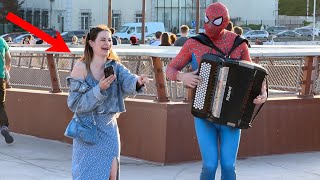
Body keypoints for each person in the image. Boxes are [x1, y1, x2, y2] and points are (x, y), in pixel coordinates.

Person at [166, 3, 267, 180]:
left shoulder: (238, 44)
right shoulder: (193, 43)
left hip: (232, 114)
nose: (210, 24)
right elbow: (170, 69)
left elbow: (254, 75)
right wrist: (184, 77)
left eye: (216, 20)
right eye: (207, 19)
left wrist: (263, 93)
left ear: (226, 21)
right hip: (204, 114)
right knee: (210, 165)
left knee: (228, 165)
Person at [67, 24, 149, 180]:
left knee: (112, 174)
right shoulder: (81, 67)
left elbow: (129, 80)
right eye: (103, 40)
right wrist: (99, 89)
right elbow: (74, 104)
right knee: (87, 175)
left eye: (109, 40)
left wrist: (138, 81)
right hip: (87, 129)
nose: (107, 44)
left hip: (108, 126)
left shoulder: (115, 67)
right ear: (91, 43)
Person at [0, 37, 13, 144]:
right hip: (1, 77)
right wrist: (7, 71)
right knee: (1, 103)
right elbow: (8, 58)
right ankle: (4, 126)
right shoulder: (2, 41)